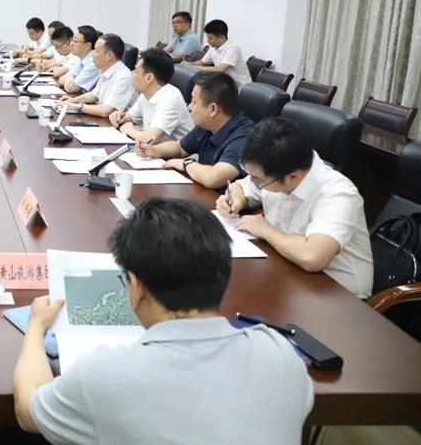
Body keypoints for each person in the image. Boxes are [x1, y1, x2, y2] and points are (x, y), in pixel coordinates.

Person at [13, 198, 312, 444]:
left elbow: (28, 411)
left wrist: (36, 326)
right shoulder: (281, 355)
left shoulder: (105, 375)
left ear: (136, 287)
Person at [217, 117, 374, 298]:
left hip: (338, 294)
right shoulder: (278, 168)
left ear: (293, 178)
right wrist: (233, 200)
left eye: (258, 180)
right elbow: (241, 188)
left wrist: (265, 229)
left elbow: (312, 257)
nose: (254, 182)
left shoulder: (338, 194)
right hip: (288, 272)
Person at [136, 72, 254, 190]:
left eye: (194, 102)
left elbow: (213, 178)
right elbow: (180, 148)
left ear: (213, 109)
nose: (189, 107)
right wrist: (154, 150)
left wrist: (186, 164)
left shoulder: (244, 137)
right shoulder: (207, 124)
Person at [110, 48, 193, 143]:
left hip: (174, 152)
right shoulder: (146, 93)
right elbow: (130, 116)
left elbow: (149, 139)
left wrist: (130, 131)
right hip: (153, 149)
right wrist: (119, 117)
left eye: (136, 71)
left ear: (149, 78)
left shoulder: (170, 99)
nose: (132, 75)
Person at [56, 33, 135, 117]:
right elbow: (95, 95)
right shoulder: (106, 70)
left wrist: (75, 106)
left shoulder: (123, 76)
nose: (92, 55)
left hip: (115, 123)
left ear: (109, 55)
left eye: (96, 51)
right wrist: (73, 100)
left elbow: (106, 110)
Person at [187, 19, 251, 87]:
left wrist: (193, 67)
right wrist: (188, 64)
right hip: (225, 83)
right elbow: (202, 62)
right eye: (207, 38)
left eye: (210, 38)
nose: (208, 41)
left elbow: (221, 69)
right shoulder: (213, 47)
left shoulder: (233, 48)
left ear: (222, 38)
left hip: (240, 87)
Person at [57, 25, 100, 94]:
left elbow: (72, 88)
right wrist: (71, 80)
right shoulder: (81, 59)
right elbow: (61, 79)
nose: (71, 44)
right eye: (72, 40)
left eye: (75, 41)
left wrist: (71, 80)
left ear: (87, 45)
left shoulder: (93, 62)